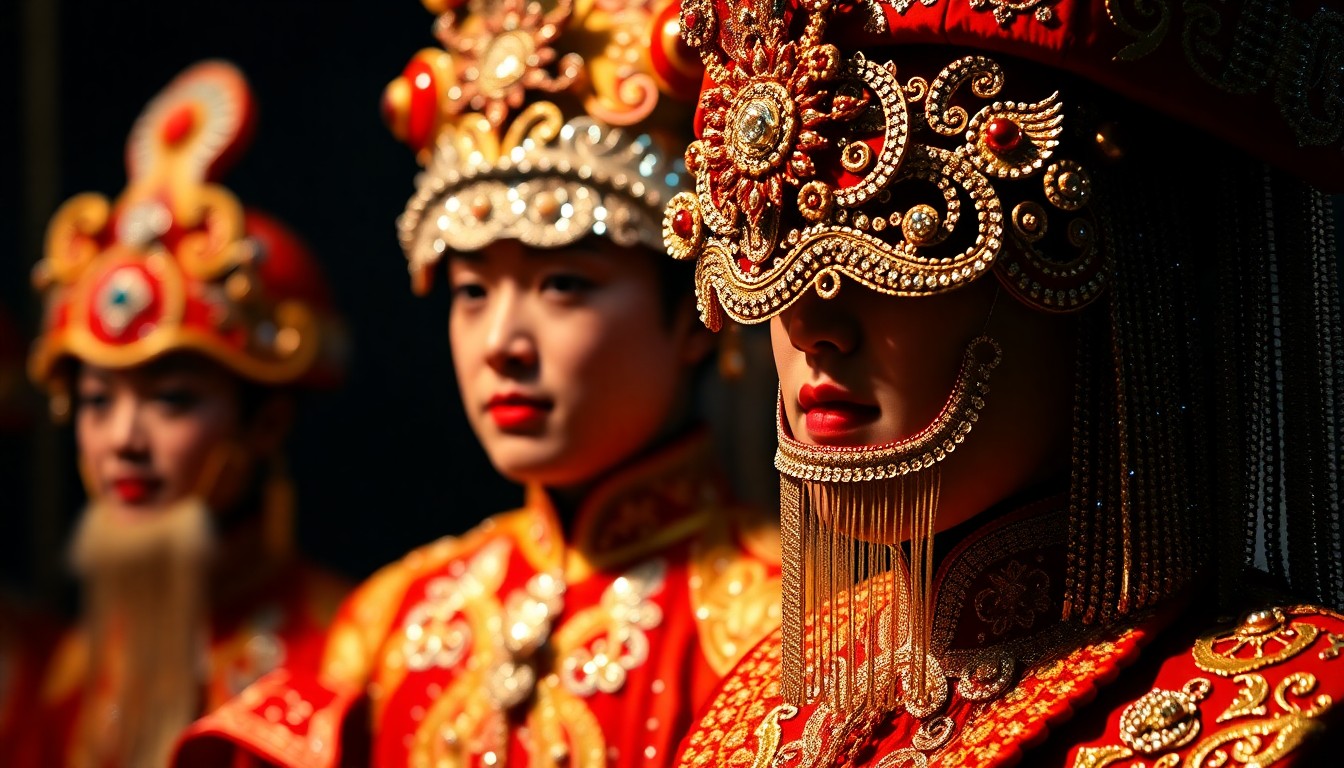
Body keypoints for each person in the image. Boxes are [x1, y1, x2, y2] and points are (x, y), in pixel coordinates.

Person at [660, 0, 1344, 764]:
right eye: (773, 237)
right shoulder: (757, 711)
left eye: (906, 224)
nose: (812, 325)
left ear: (1092, 261)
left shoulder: (1278, 722)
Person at [172, 0, 782, 765]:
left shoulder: (774, 627)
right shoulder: (391, 624)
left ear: (700, 312)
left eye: (562, 284)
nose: (502, 344)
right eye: (471, 292)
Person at [25, 60, 349, 768]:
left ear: (264, 423)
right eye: (96, 402)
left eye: (171, 400)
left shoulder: (341, 641)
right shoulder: (72, 668)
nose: (122, 442)